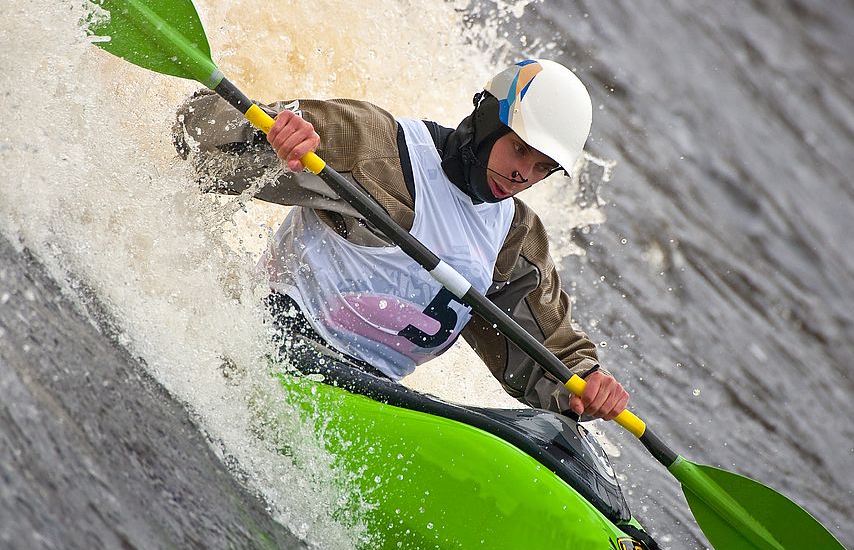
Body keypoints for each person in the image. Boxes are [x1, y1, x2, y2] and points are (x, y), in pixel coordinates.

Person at [173, 58, 629, 421]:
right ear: (489, 121)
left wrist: (588, 385)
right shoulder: (369, 144)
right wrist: (272, 135)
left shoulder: (516, 240)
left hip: (373, 395)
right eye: (519, 150)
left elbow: (552, 358)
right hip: (275, 336)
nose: (521, 175)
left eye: (541, 168)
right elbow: (194, 131)